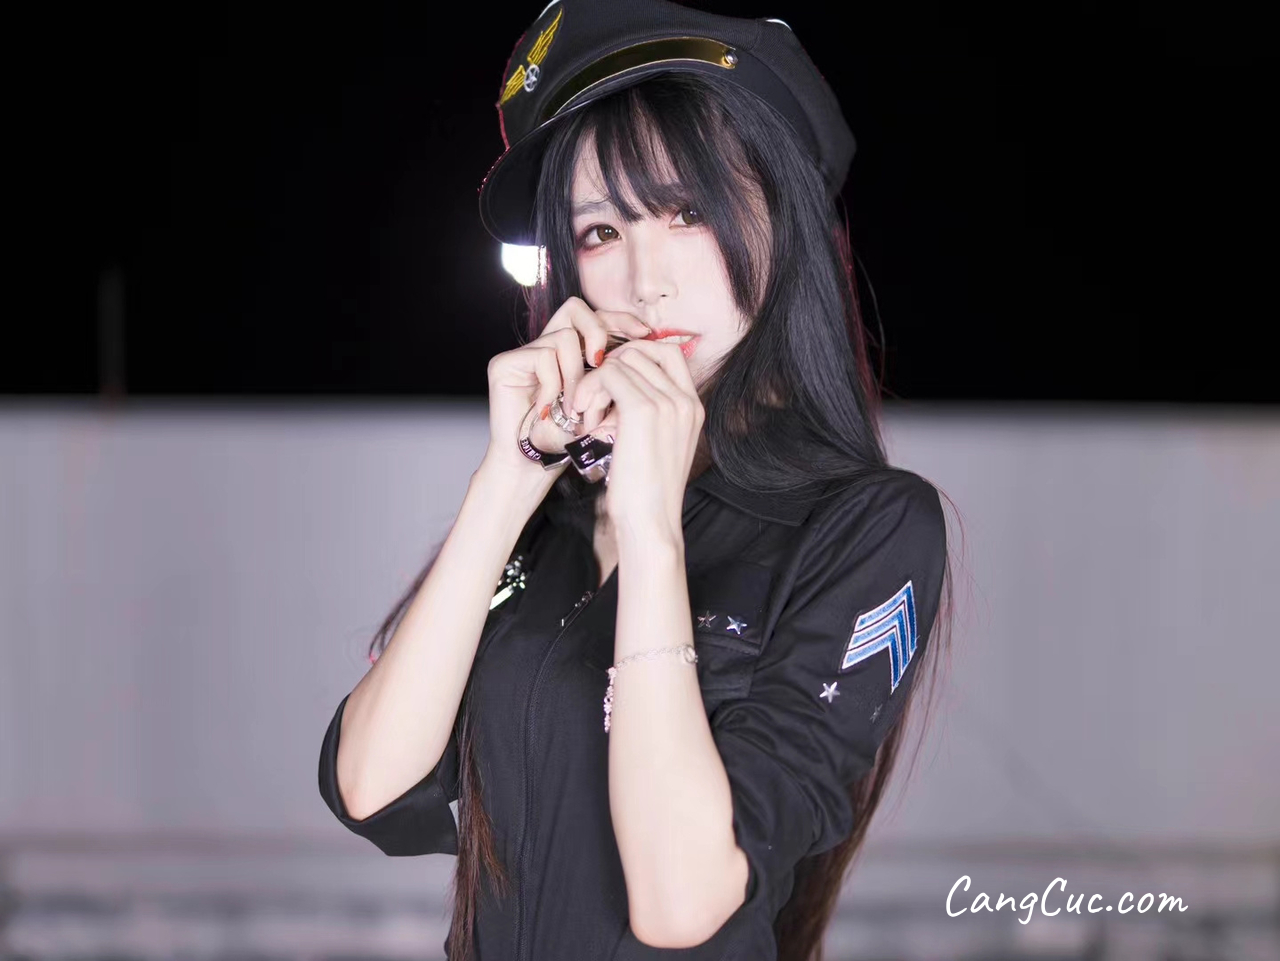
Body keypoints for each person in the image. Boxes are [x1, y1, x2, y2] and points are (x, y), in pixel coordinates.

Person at [318, 1, 954, 958]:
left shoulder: (867, 527)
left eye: (687, 212)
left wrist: (652, 530)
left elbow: (682, 901)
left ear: (778, 223)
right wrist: (511, 475)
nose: (644, 279)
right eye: (601, 232)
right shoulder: (549, 511)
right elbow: (370, 784)